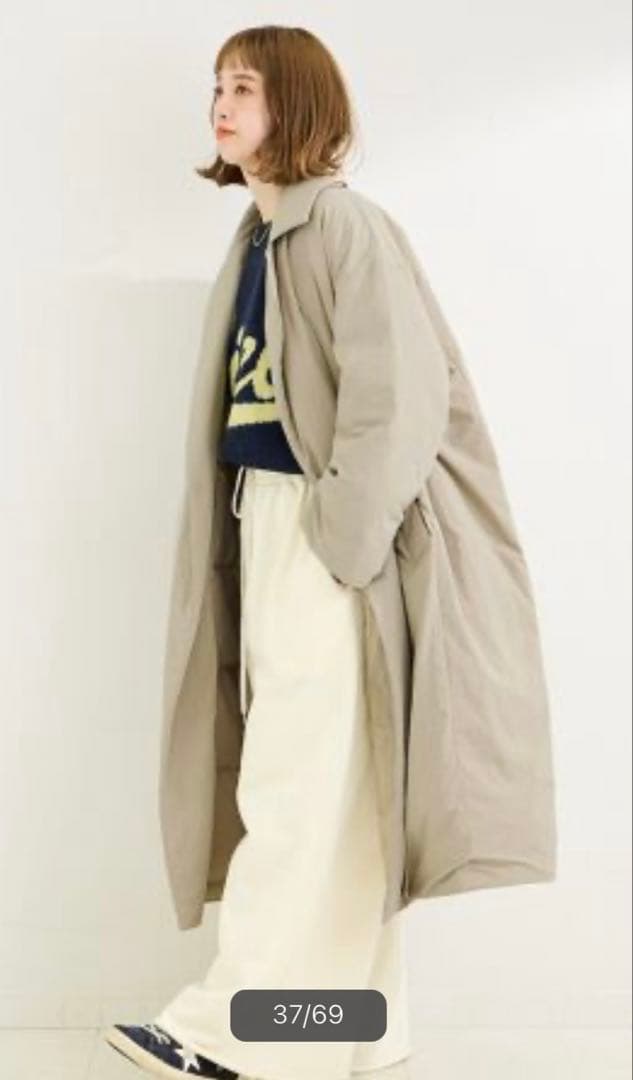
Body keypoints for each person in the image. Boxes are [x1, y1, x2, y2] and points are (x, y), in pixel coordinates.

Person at [105, 20, 557, 1080]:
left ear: (297, 104)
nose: (221, 104)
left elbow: (398, 401)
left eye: (245, 87)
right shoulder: (260, 237)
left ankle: (232, 1032)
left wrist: (339, 543)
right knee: (335, 790)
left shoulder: (345, 225)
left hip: (320, 533)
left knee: (292, 784)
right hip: (269, 520)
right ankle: (344, 1030)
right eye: (216, 86)